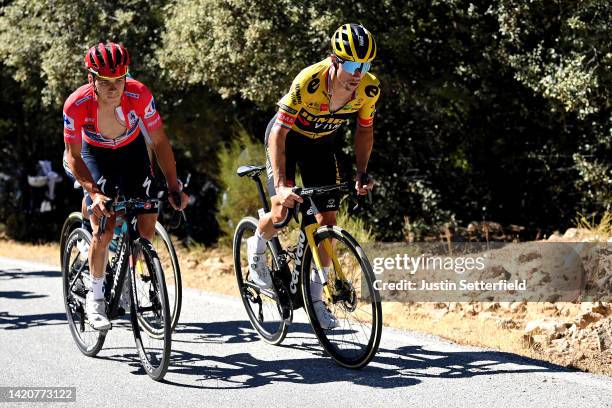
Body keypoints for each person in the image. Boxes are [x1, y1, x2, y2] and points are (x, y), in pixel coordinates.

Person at [248, 24, 380, 329]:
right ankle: (256, 249)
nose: (357, 72)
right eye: (350, 64)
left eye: (365, 64)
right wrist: (281, 185)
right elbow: (278, 133)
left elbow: (365, 129)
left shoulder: (369, 88)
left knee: (327, 222)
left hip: (321, 145)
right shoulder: (309, 81)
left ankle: (316, 301)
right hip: (287, 141)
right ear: (334, 60)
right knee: (282, 213)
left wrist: (362, 172)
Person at [63, 41, 188, 330]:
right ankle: (95, 300)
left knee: (146, 215)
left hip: (131, 150)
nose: (114, 87)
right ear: (91, 79)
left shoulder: (139, 93)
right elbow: (73, 155)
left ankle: (129, 276)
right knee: (104, 227)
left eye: (119, 79)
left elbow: (159, 142)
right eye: (105, 81)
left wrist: (173, 185)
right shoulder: (77, 104)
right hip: (94, 155)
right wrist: (93, 192)